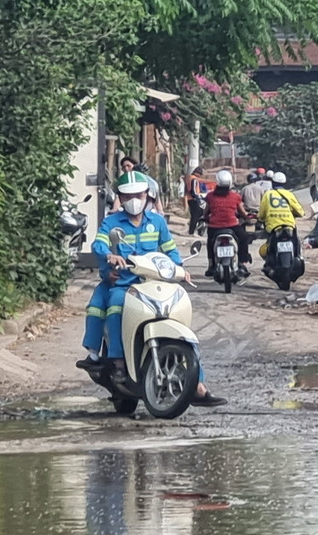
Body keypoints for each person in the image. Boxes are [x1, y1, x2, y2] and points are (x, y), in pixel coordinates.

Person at [78, 172, 225, 406]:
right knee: (115, 306)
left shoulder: (157, 222)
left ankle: (197, 383)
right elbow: (99, 243)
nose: (134, 200)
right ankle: (118, 361)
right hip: (125, 284)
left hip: (155, 284)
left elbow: (170, 249)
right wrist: (109, 256)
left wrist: (179, 268)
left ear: (147, 195)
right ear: (121, 198)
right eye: (128, 196)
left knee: (179, 320)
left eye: (138, 195)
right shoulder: (112, 222)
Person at [204, 169, 250, 276]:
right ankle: (242, 263)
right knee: (244, 239)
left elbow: (206, 212)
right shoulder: (235, 196)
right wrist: (247, 217)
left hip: (214, 227)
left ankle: (211, 265)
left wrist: (205, 218)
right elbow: (243, 213)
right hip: (232, 226)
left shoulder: (210, 196)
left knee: (210, 243)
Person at [258, 171, 305, 261]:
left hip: (273, 227)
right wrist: (300, 214)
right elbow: (300, 211)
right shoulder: (289, 194)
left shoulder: (267, 195)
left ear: (273, 183)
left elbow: (261, 214)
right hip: (289, 225)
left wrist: (260, 218)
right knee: (296, 241)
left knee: (269, 244)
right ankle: (298, 256)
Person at [185, 166, 211, 235]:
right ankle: (191, 232)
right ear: (198, 173)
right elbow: (194, 191)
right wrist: (198, 199)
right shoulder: (194, 179)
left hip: (190, 199)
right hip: (193, 199)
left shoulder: (189, 178)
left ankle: (192, 230)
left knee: (196, 215)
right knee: (196, 216)